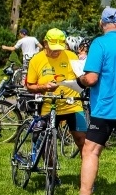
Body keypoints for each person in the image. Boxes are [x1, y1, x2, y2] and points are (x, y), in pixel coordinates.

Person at [59, 7, 116, 195]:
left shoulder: (99, 43)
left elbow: (91, 78)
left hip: (105, 107)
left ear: (101, 23)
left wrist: (78, 80)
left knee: (90, 150)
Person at [25, 28, 87, 156]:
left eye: (59, 48)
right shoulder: (36, 60)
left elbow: (80, 77)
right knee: (46, 142)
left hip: (72, 104)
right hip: (49, 105)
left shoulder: (71, 56)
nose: (57, 51)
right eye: (53, 48)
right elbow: (30, 86)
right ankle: (51, 173)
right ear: (45, 43)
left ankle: (86, 175)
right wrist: (44, 87)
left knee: (83, 141)